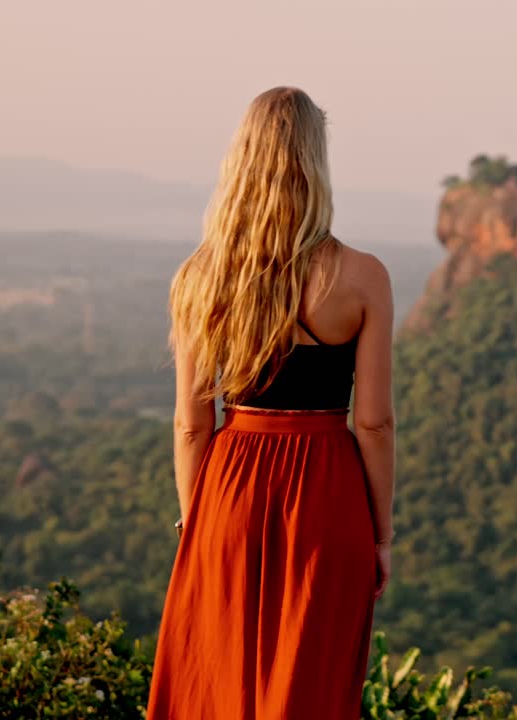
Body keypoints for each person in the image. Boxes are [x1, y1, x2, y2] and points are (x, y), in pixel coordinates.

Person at [147, 86, 397, 719]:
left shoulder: (201, 275)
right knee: (310, 688)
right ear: (316, 161)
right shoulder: (363, 276)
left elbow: (189, 425)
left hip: (228, 491)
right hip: (328, 494)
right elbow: (373, 422)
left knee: (222, 676)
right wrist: (381, 534)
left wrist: (194, 518)